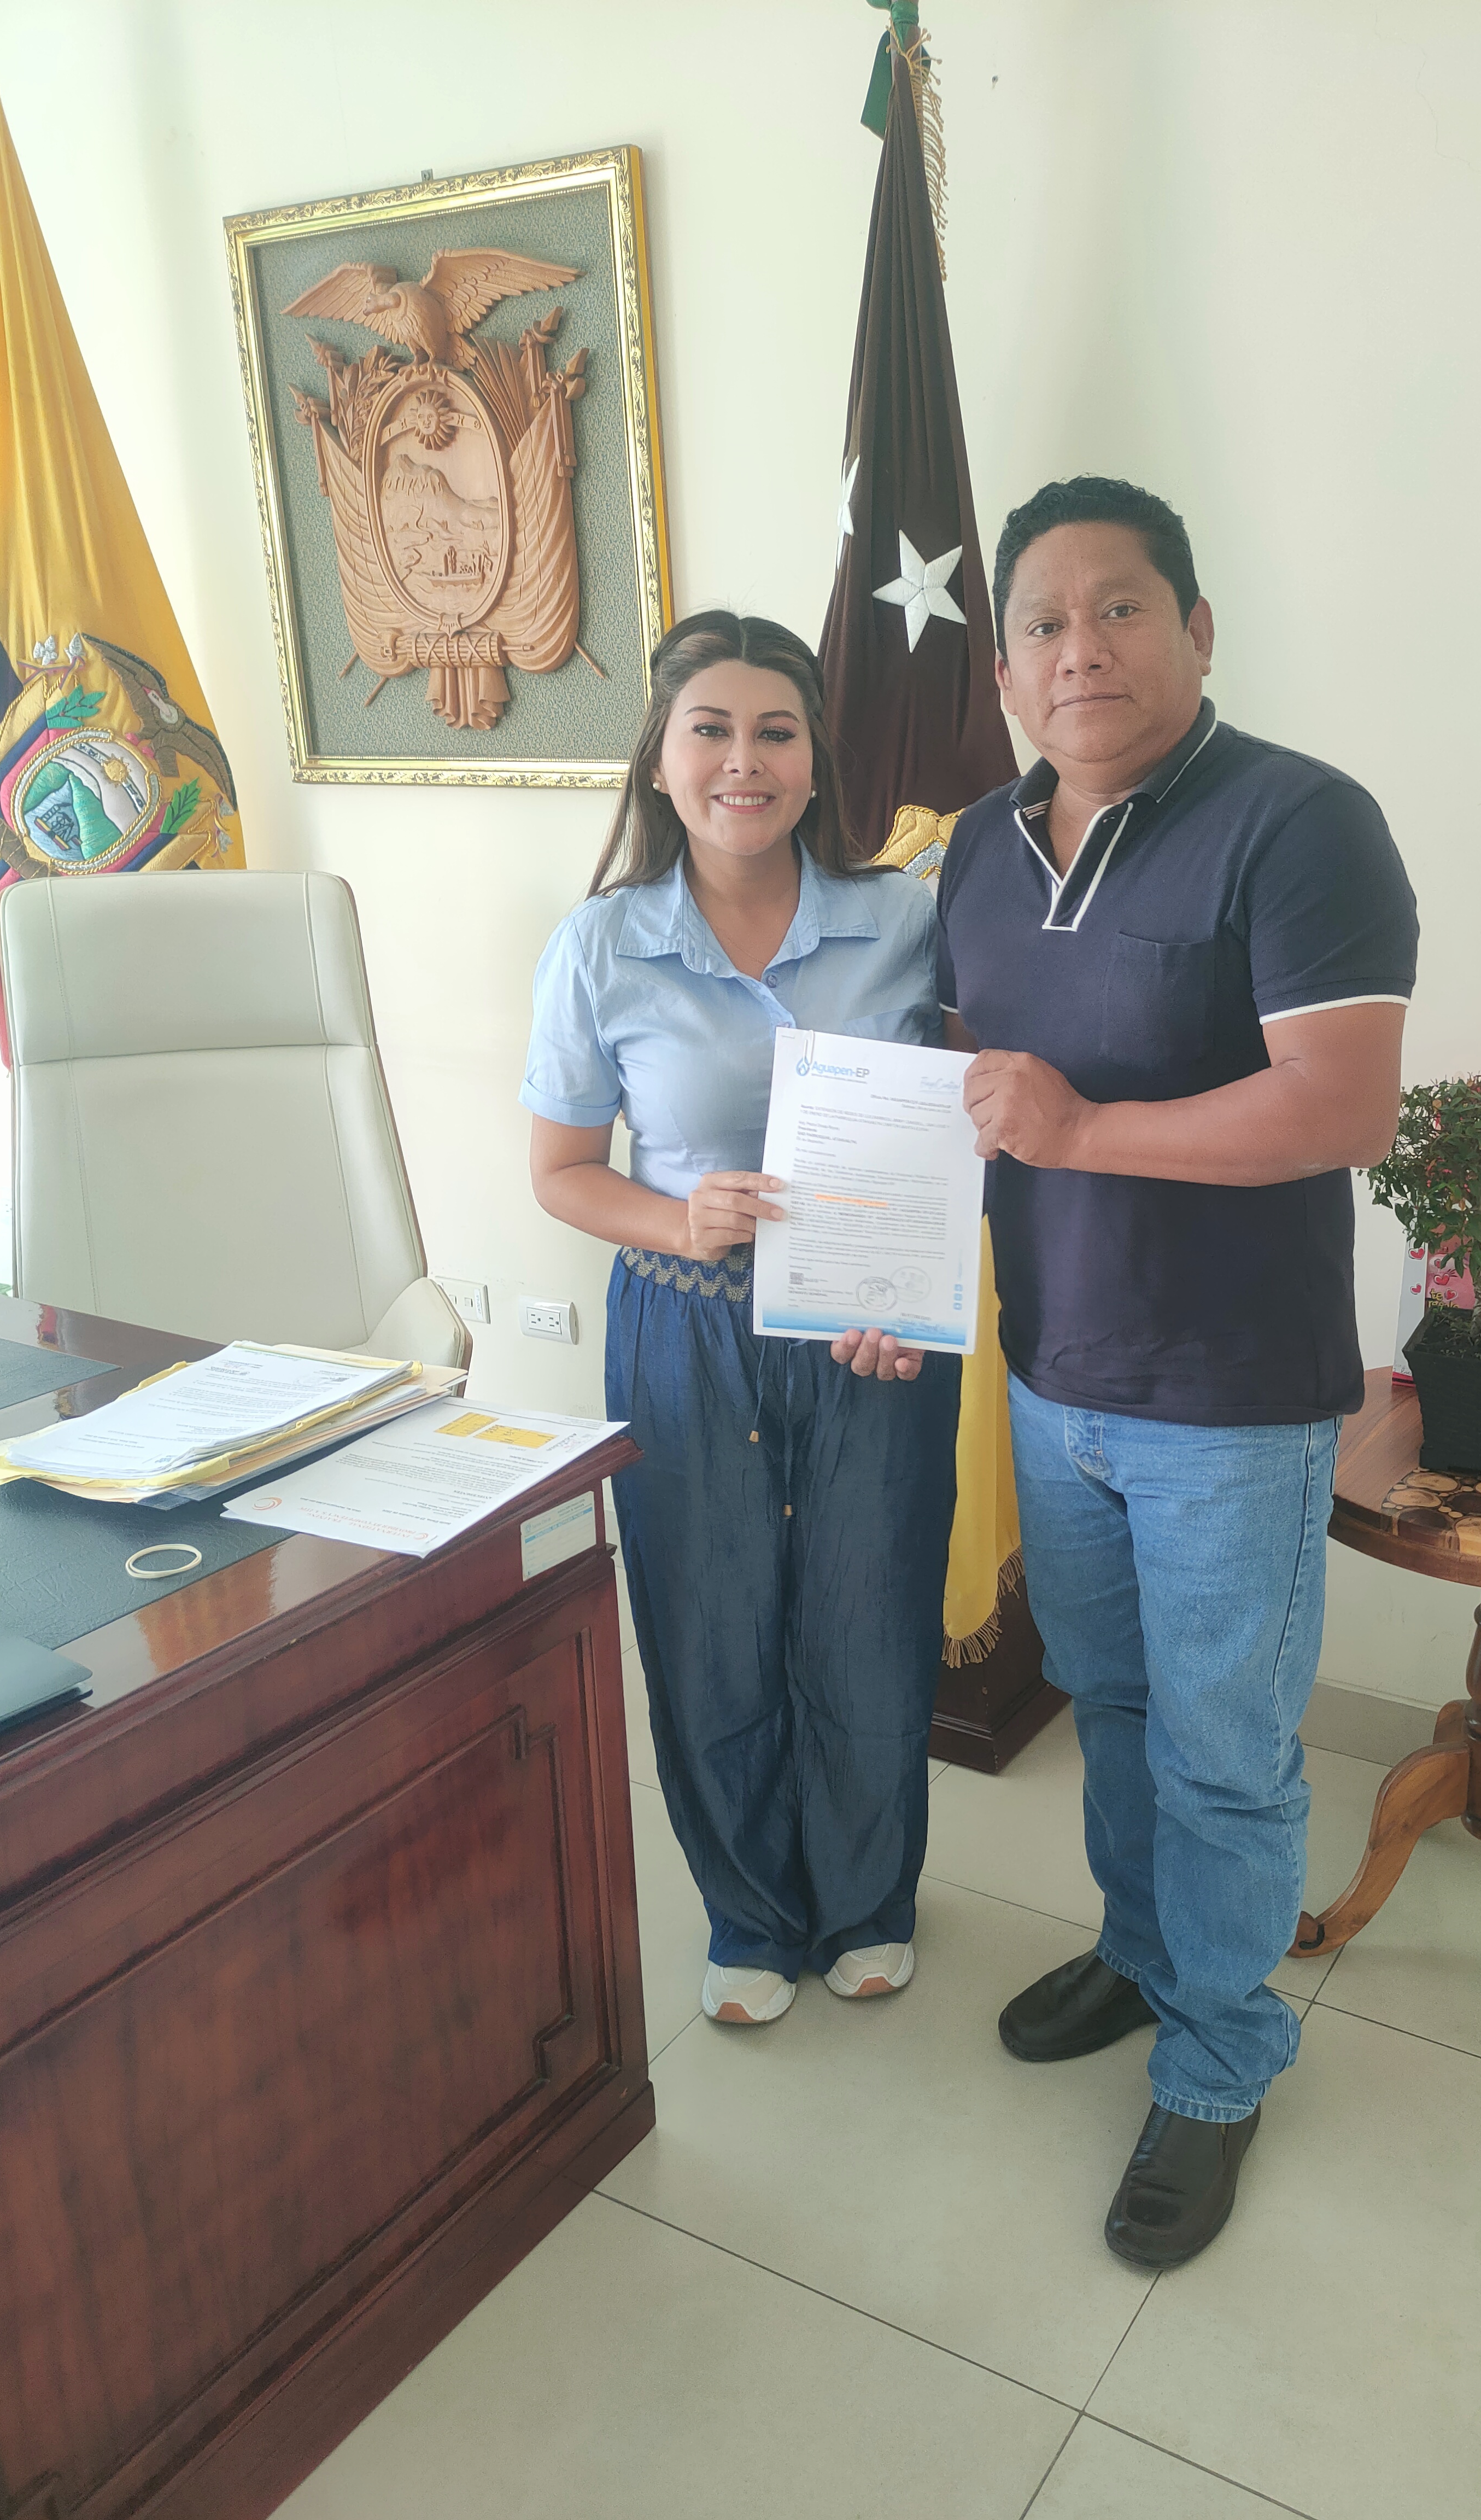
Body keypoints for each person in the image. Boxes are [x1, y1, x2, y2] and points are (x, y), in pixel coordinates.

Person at [938, 476, 1416, 2265]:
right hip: (1052, 1373)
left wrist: (1082, 1131)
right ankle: (1144, 1956)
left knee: (1224, 1756)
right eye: (1043, 623)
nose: (1083, 648)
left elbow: (1340, 1107)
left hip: (1229, 1398)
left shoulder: (1299, 821)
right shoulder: (976, 848)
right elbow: (961, 1083)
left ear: (1198, 630)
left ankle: (1220, 2060)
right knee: (1112, 1708)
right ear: (1005, 670)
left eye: (1121, 607)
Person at [523, 610, 959, 2028]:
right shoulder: (601, 946)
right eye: (710, 730)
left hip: (869, 1334)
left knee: (870, 1608)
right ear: (660, 757)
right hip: (684, 1324)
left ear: (817, 758)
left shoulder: (906, 922)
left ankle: (868, 1901)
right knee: (708, 1619)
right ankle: (752, 1915)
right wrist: (680, 1219)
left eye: (776, 732)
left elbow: (967, 1124)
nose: (743, 762)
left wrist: (919, 1291)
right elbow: (562, 1172)